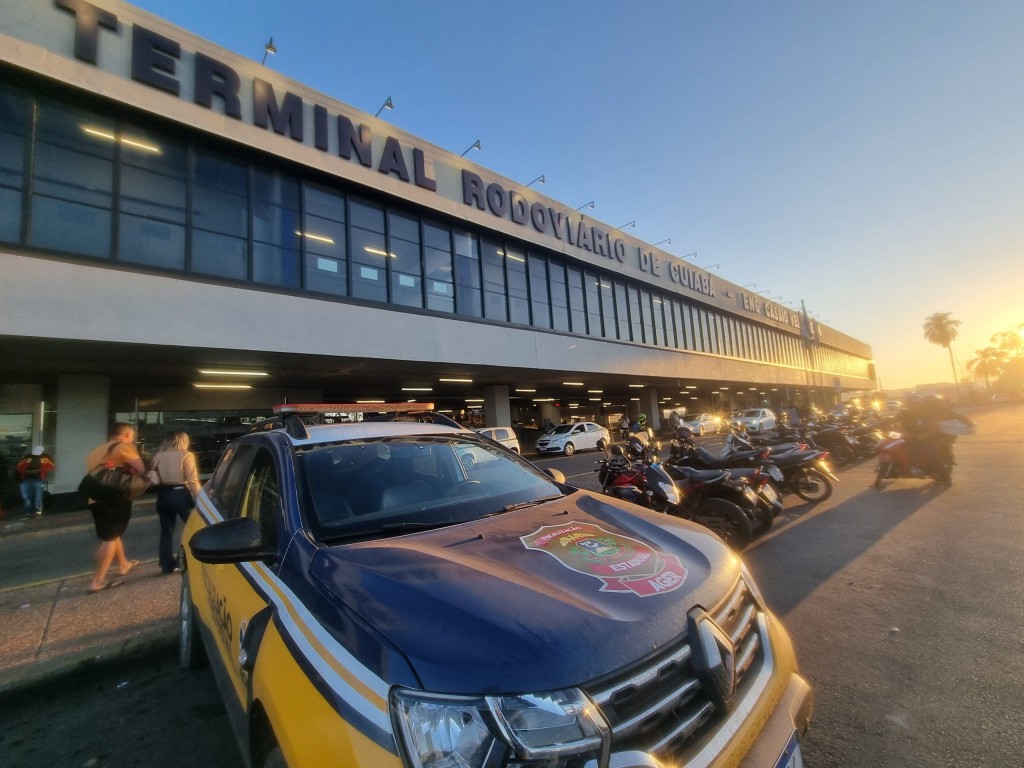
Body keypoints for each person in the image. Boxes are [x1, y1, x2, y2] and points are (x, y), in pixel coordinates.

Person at [84, 423, 144, 593]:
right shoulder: (124, 447)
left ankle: (124, 564)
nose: (132, 439)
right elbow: (140, 469)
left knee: (113, 534)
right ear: (127, 434)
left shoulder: (97, 450)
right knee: (109, 538)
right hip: (114, 497)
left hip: (95, 498)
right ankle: (98, 581)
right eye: (132, 436)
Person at [148, 432, 202, 574]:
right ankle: (181, 560)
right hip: (181, 493)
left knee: (166, 531)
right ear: (183, 441)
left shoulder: (158, 456)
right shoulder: (186, 455)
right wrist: (201, 497)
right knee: (193, 527)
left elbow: (154, 479)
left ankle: (166, 565)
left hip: (164, 494)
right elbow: (192, 480)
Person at [16, 445, 56, 517]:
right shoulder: (28, 457)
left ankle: (37, 512)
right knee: (26, 497)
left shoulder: (46, 457)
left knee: (38, 497)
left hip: (39, 479)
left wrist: (39, 470)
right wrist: (26, 471)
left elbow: (51, 467)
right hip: (26, 479)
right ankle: (28, 512)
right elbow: (19, 467)